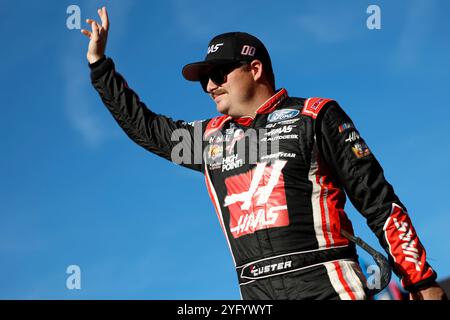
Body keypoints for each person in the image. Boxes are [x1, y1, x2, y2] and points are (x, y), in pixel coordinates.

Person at [81, 7, 447, 300]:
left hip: (328, 286)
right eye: (205, 78)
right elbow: (144, 128)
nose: (210, 85)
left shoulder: (316, 116)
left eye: (220, 73)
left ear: (254, 69)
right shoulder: (208, 140)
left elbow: (379, 203)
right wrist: (100, 66)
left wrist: (419, 281)